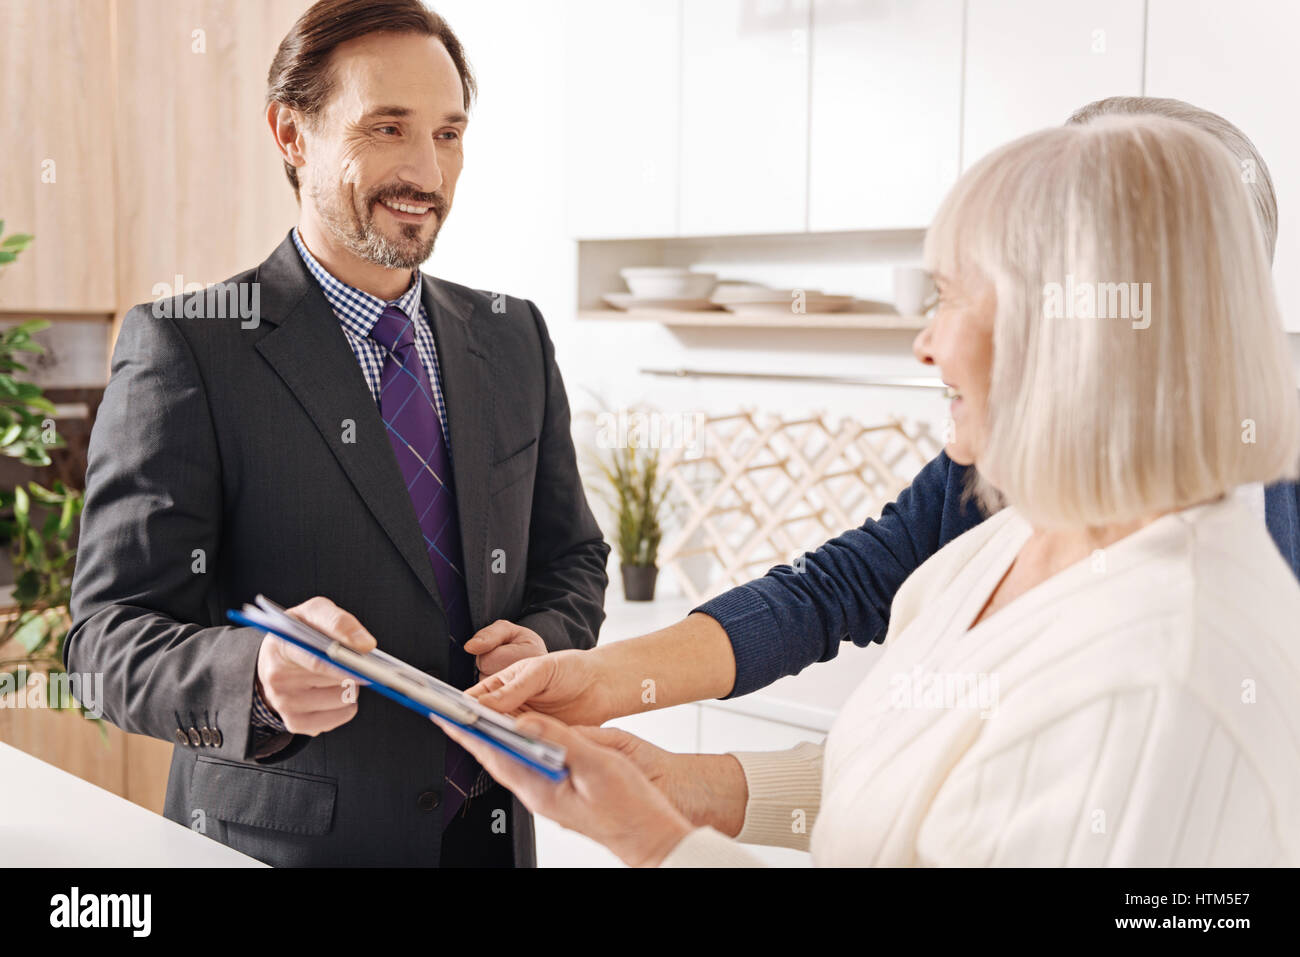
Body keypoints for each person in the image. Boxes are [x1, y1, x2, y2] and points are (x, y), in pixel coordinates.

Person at [445, 113, 1300, 866]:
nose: (922, 345)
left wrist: (657, 841)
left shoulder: (1153, 681)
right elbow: (938, 780)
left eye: (950, 296)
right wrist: (694, 782)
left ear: (1074, 330)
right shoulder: (1009, 537)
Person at [64, 0, 608, 867]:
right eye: (386, 127)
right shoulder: (190, 347)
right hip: (279, 848)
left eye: (448, 133)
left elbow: (573, 557)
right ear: (292, 133)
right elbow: (103, 640)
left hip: (492, 837)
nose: (425, 171)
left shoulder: (513, 336)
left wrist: (547, 637)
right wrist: (258, 678)